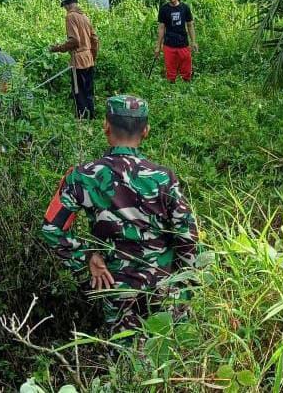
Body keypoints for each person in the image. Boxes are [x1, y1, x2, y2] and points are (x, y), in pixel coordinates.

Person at [41, 95, 199, 332]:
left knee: (124, 359)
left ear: (106, 126)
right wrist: (191, 284)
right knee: (171, 358)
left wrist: (86, 258)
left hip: (116, 286)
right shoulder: (164, 178)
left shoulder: (82, 176)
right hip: (166, 286)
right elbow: (188, 237)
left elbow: (52, 229)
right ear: (146, 130)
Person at [50, 0, 99, 119]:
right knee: (88, 92)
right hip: (88, 59)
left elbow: (75, 41)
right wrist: (92, 56)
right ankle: (91, 118)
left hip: (78, 62)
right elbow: (95, 39)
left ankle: (82, 121)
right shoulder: (84, 17)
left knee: (79, 93)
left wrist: (57, 48)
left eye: (64, 6)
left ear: (66, 4)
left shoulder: (71, 16)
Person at [155, 0, 198, 83]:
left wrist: (194, 42)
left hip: (183, 44)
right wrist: (158, 46)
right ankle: (171, 92)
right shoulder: (164, 9)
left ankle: (187, 91)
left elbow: (190, 25)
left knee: (187, 72)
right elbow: (161, 28)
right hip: (169, 45)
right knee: (171, 73)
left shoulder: (185, 8)